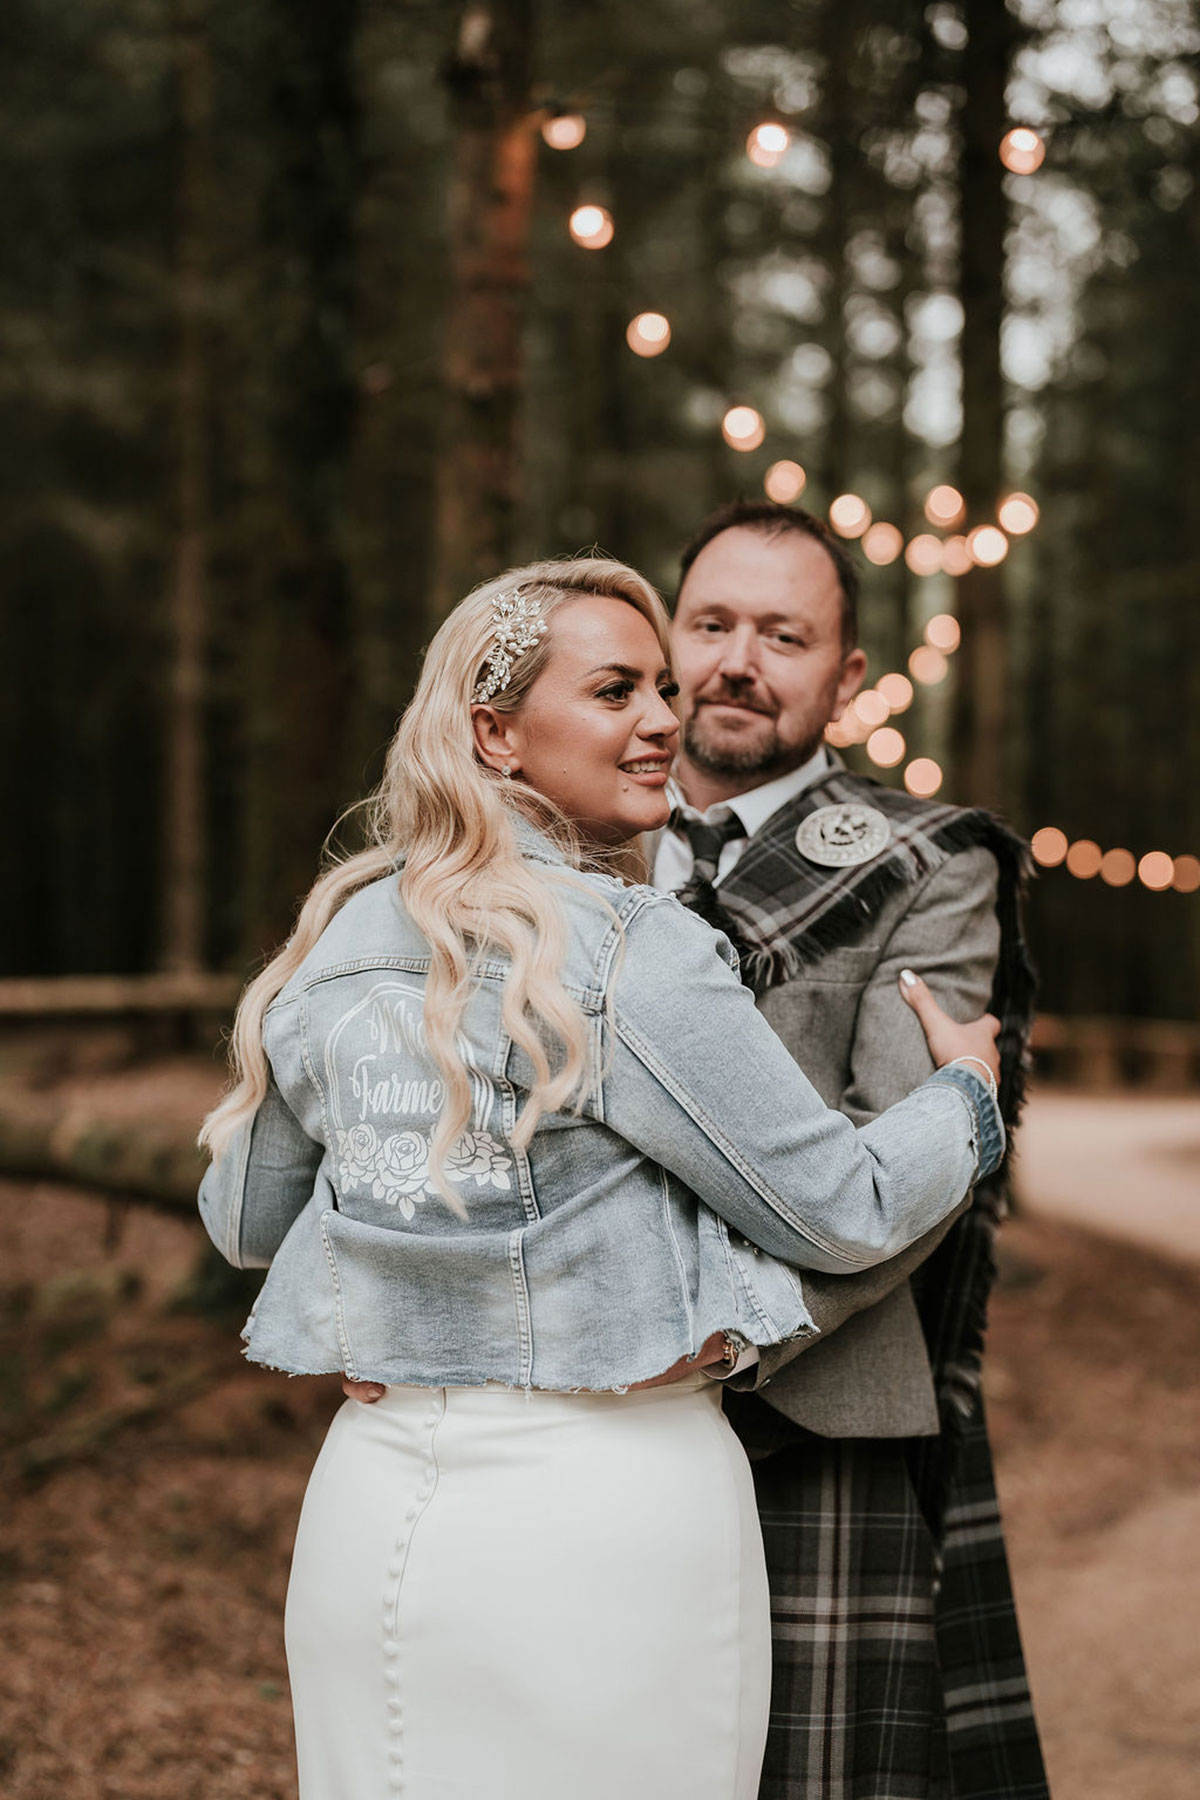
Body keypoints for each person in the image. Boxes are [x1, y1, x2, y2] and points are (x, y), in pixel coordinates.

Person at [197, 556, 1005, 1800]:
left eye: (662, 690)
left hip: (374, 1503)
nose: (665, 721)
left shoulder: (339, 932)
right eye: (618, 690)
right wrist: (964, 1098)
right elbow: (842, 1211)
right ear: (494, 731)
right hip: (605, 1509)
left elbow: (248, 1221)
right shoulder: (630, 947)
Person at [655, 500, 1048, 1800]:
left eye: (783, 634)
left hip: (808, 1410)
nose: (737, 660)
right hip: (568, 1415)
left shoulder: (928, 865)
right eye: (712, 623)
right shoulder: (568, 838)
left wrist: (717, 1340)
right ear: (667, 638)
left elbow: (903, 1176)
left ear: (847, 677)